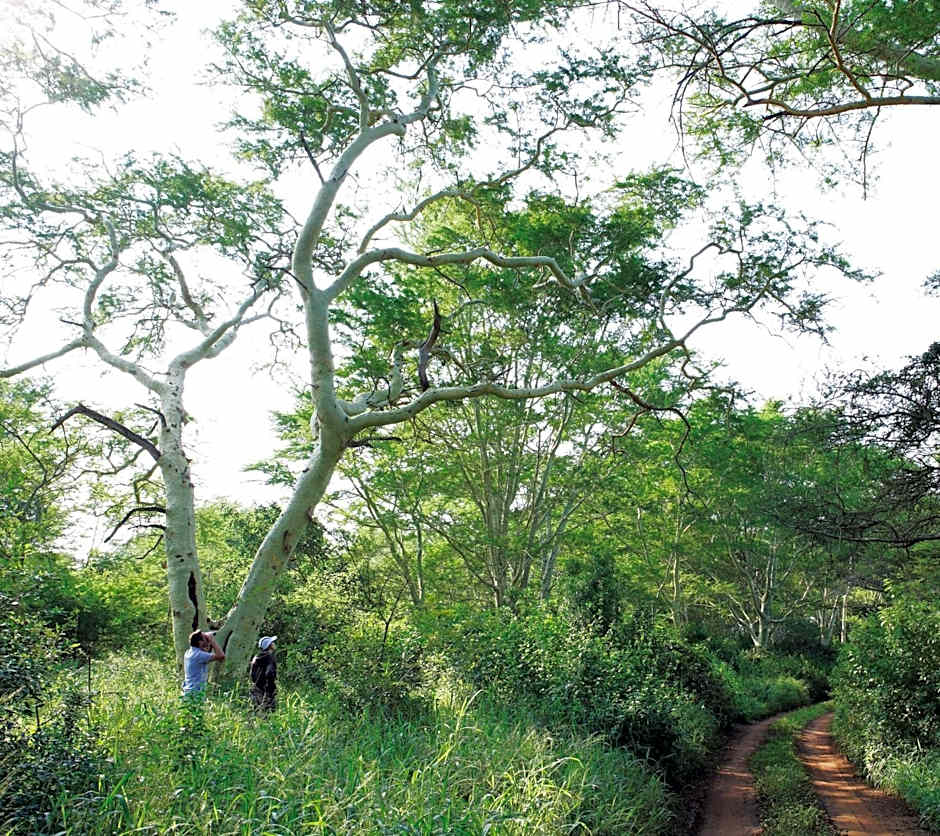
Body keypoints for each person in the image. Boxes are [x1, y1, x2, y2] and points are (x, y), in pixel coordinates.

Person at [181, 630, 225, 696]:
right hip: (195, 693)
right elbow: (221, 656)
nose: (207, 640)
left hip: (188, 691)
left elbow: (206, 653)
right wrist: (212, 641)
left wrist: (207, 641)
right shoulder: (199, 655)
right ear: (200, 642)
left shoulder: (189, 652)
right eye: (205, 639)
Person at [249, 635, 277, 712]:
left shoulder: (256, 657)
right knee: (268, 715)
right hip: (266, 691)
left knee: (257, 713)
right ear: (270, 645)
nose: (274, 643)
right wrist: (270, 690)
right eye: (272, 642)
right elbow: (270, 673)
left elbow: (252, 675)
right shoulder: (269, 657)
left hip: (256, 689)